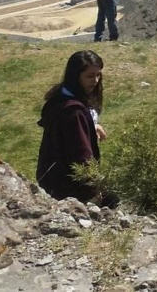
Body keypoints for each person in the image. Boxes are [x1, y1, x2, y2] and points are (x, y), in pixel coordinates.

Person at [36, 50, 108, 202]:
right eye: (89, 76)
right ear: (76, 76)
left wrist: (92, 126)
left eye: (98, 75)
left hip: (52, 180)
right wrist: (93, 188)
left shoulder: (61, 97)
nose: (95, 81)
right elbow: (81, 156)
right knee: (112, 201)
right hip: (68, 188)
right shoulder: (73, 112)